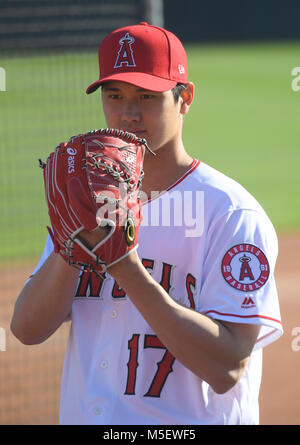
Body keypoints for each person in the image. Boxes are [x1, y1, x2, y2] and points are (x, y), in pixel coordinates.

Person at [11, 22, 283, 425]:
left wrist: (124, 265)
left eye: (147, 96)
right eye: (115, 95)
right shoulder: (87, 198)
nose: (128, 113)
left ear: (184, 98)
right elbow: (27, 329)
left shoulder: (229, 213)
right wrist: (72, 247)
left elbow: (227, 368)